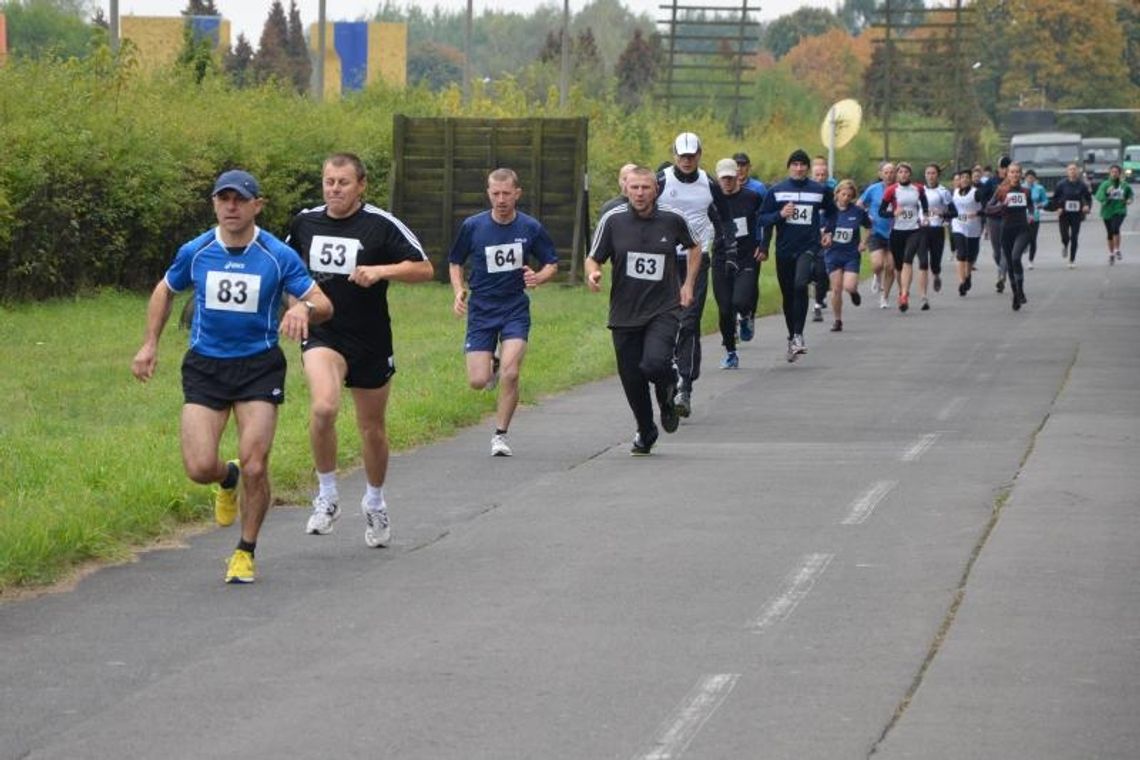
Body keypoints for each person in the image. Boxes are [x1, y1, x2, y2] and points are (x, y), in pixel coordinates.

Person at [131, 169, 333, 584]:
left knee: (257, 464)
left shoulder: (277, 254)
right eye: (223, 199)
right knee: (199, 466)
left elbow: (323, 302)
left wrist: (302, 308)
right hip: (206, 365)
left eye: (240, 200)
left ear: (256, 206)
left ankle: (245, 550)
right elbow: (165, 289)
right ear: (214, 204)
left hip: (258, 366)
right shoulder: (198, 249)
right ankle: (227, 477)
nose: (231, 207)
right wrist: (150, 343)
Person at [286, 153, 434, 545]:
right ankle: (328, 495)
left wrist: (382, 271)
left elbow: (424, 268)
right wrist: (296, 306)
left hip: (369, 338)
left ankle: (375, 501)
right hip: (324, 333)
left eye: (343, 183)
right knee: (324, 407)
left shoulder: (380, 225)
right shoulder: (305, 222)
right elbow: (284, 270)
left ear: (361, 185)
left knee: (372, 429)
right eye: (329, 181)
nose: (334, 189)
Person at [586, 165, 698, 455]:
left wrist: (687, 286)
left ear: (655, 190)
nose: (639, 193)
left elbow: (695, 248)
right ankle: (646, 430)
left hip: (663, 307)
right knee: (632, 378)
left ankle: (668, 389)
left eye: (645, 187)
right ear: (625, 189)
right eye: (634, 187)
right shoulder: (613, 220)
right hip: (624, 312)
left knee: (653, 364)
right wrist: (593, 274)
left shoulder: (673, 219)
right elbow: (593, 257)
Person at [449, 168, 560, 456]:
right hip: (482, 308)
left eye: (506, 194)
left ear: (517, 194)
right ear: (488, 193)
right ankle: (492, 365)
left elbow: (552, 263)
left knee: (511, 373)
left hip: (514, 307)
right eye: (495, 194)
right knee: (478, 381)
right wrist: (458, 290)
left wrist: (539, 277)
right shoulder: (473, 226)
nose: (501, 199)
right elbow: (455, 262)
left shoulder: (530, 228)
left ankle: (500, 435)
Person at [657, 132, 736, 417]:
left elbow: (726, 218)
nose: (687, 161)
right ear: (674, 154)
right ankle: (668, 372)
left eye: (692, 156)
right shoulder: (662, 180)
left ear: (700, 155)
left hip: (697, 260)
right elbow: (641, 208)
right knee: (666, 322)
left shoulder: (708, 183)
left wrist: (731, 249)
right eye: (682, 156)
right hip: (665, 261)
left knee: (689, 321)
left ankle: (685, 387)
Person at [758, 149, 836, 362]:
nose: (799, 168)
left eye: (803, 164)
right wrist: (780, 215)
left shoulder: (819, 190)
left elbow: (832, 211)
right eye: (795, 164)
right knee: (788, 296)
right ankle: (792, 336)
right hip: (784, 250)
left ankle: (799, 336)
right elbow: (763, 219)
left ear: (808, 168)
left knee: (800, 285)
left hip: (808, 247)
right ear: (789, 167)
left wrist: (829, 230)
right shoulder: (777, 191)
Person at [710, 158, 762, 368]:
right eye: (723, 179)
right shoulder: (711, 200)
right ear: (718, 178)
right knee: (724, 309)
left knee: (739, 301)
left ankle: (747, 314)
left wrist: (762, 244)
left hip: (746, 255)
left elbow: (763, 221)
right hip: (721, 257)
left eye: (731, 178)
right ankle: (731, 352)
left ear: (737, 177)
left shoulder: (752, 197)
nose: (727, 182)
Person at [878, 162, 929, 313]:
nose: (903, 174)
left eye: (906, 172)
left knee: (908, 260)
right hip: (897, 231)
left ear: (910, 174)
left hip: (914, 230)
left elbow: (924, 201)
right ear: (897, 175)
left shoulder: (918, 188)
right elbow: (881, 212)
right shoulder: (891, 190)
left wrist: (925, 215)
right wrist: (892, 213)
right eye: (900, 172)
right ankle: (902, 292)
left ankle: (905, 295)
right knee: (898, 267)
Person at [985, 162, 1034, 310]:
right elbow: (988, 208)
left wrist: (1031, 214)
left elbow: (1030, 206)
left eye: (1017, 172)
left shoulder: (1026, 191)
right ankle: (1016, 294)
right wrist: (1002, 206)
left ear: (1021, 174)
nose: (1015, 175)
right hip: (1006, 230)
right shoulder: (1001, 190)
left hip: (1022, 230)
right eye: (1012, 172)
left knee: (1015, 258)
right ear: (1007, 174)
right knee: (1011, 265)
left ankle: (1020, 290)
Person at [822, 178, 869, 332]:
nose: (846, 198)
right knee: (836, 289)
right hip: (833, 254)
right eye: (843, 194)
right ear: (837, 194)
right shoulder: (828, 212)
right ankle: (837, 320)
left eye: (849, 196)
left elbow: (869, 227)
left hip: (851, 255)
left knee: (848, 286)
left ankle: (853, 292)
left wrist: (864, 242)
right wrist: (824, 238)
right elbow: (819, 230)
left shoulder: (858, 212)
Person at [733, 152, 767, 341]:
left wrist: (763, 243)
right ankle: (731, 323)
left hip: (753, 242)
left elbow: (765, 215)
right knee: (729, 283)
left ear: (749, 167)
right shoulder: (724, 185)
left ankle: (748, 314)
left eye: (743, 165)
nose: (739, 169)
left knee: (750, 282)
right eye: (736, 165)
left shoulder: (758, 189)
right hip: (731, 242)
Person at [857, 162, 897, 308]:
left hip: (895, 232)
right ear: (880, 174)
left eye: (892, 172)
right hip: (876, 231)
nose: (889, 175)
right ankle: (876, 276)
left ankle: (884, 297)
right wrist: (866, 216)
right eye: (886, 172)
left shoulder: (900, 190)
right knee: (878, 264)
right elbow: (859, 203)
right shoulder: (873, 189)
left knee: (891, 267)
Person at [1048, 163, 1092, 268]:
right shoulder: (1061, 184)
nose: (1072, 171)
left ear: (1078, 171)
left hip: (1077, 214)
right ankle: (1065, 244)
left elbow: (1088, 198)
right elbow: (1055, 198)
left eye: (1074, 169)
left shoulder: (1082, 185)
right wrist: (1058, 207)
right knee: (1065, 236)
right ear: (1067, 172)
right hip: (1064, 214)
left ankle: (1072, 260)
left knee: (1074, 237)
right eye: (1070, 169)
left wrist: (1087, 207)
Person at [809, 158, 835, 322]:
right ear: (812, 175)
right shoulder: (807, 192)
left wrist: (828, 230)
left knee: (822, 272)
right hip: (807, 237)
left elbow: (834, 215)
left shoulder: (829, 194)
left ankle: (818, 304)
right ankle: (816, 290)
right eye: (817, 175)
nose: (820, 178)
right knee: (809, 272)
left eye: (823, 175)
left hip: (823, 238)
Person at [949, 168, 982, 296]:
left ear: (971, 179)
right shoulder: (955, 192)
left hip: (973, 227)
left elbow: (986, 207)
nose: (964, 179)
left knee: (970, 256)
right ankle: (962, 282)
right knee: (961, 253)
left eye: (967, 177)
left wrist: (977, 213)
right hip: (958, 225)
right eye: (962, 177)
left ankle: (968, 276)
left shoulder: (976, 193)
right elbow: (950, 208)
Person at [922, 163, 954, 296]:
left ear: (938, 175)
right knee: (923, 261)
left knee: (935, 261)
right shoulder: (919, 190)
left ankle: (936, 275)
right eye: (928, 173)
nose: (930, 176)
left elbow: (954, 213)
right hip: (922, 229)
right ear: (925, 175)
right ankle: (923, 293)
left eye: (933, 173)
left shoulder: (944, 192)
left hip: (937, 229)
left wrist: (942, 214)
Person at [1094, 164, 1134, 264]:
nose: (1114, 174)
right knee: (1110, 233)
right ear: (1110, 173)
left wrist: (1129, 200)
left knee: (1115, 228)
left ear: (1120, 173)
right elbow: (1098, 195)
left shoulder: (1124, 185)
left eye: (1116, 172)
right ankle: (1111, 254)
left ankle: (1117, 250)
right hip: (1107, 211)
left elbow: (1130, 194)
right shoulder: (1105, 184)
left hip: (1120, 210)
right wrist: (1106, 195)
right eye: (1112, 172)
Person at [1024, 169, 1049, 269]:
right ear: (1025, 178)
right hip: (1022, 216)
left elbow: (1045, 200)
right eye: (1028, 177)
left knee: (1033, 239)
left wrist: (1041, 204)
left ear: (1034, 178)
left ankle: (1030, 261)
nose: (1030, 179)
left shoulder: (1039, 188)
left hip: (1035, 216)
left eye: (1032, 178)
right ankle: (1024, 245)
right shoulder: (1020, 187)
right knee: (1024, 237)